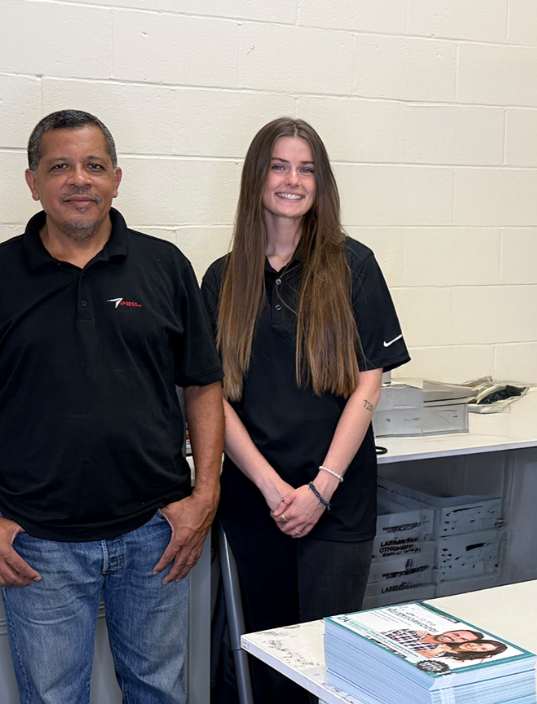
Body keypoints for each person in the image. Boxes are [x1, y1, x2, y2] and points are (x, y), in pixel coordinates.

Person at [0, 109, 224, 704]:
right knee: (52, 698)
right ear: (32, 181)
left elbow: (203, 385)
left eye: (93, 166)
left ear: (117, 178)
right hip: (37, 543)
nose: (78, 179)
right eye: (59, 166)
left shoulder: (165, 267)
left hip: (156, 533)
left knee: (160, 692)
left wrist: (205, 498)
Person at [201, 117, 410, 704]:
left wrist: (320, 488)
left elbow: (369, 384)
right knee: (262, 665)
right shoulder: (223, 278)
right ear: (256, 178)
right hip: (253, 503)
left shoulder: (353, 266)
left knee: (326, 668)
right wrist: (271, 488)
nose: (293, 180)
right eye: (279, 165)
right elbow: (211, 395)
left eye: (307, 168)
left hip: (336, 504)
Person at [383, 628, 484, 653]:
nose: (454, 638)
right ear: (448, 631)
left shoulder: (436, 652)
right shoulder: (408, 632)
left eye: (462, 639)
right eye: (455, 634)